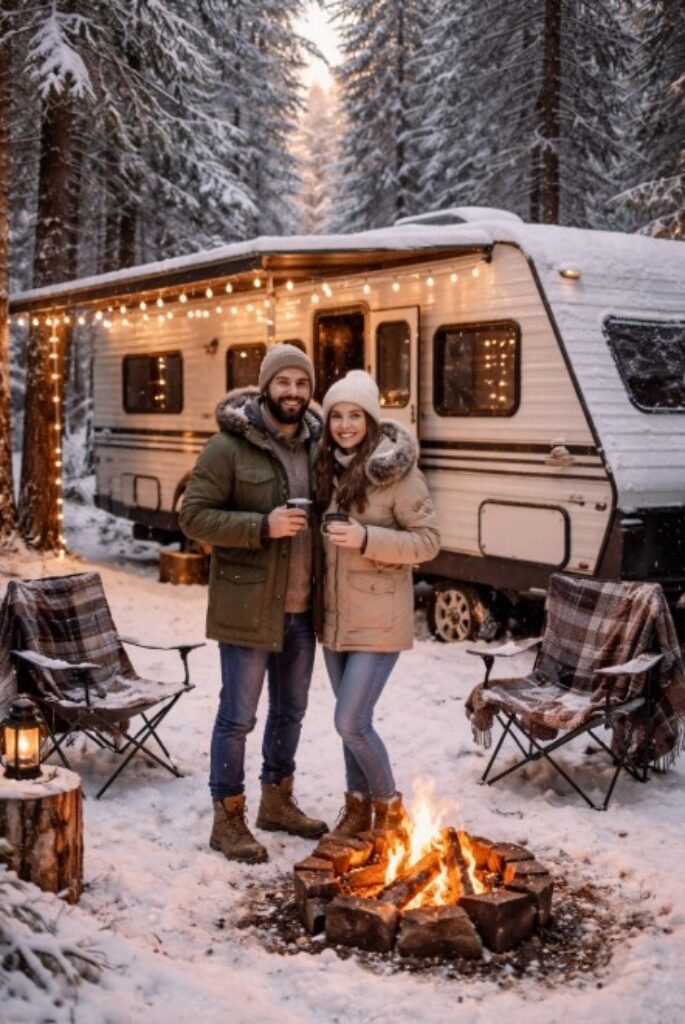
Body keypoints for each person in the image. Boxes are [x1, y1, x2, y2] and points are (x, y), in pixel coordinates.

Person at [179, 344, 328, 864]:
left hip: (304, 610)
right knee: (237, 718)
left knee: (291, 712)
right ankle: (228, 819)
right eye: (283, 382)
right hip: (247, 608)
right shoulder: (228, 446)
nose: (293, 392)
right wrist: (259, 527)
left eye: (301, 383)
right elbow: (193, 517)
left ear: (311, 390)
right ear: (266, 386)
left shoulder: (318, 445)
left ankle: (277, 802)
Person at [315, 370, 440, 837]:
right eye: (336, 416)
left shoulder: (397, 472)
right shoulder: (326, 470)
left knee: (350, 721)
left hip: (379, 617)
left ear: (370, 418)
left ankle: (389, 808)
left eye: (354, 415)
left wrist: (366, 537)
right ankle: (356, 806)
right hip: (334, 619)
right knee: (353, 723)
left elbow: (428, 542)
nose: (345, 425)